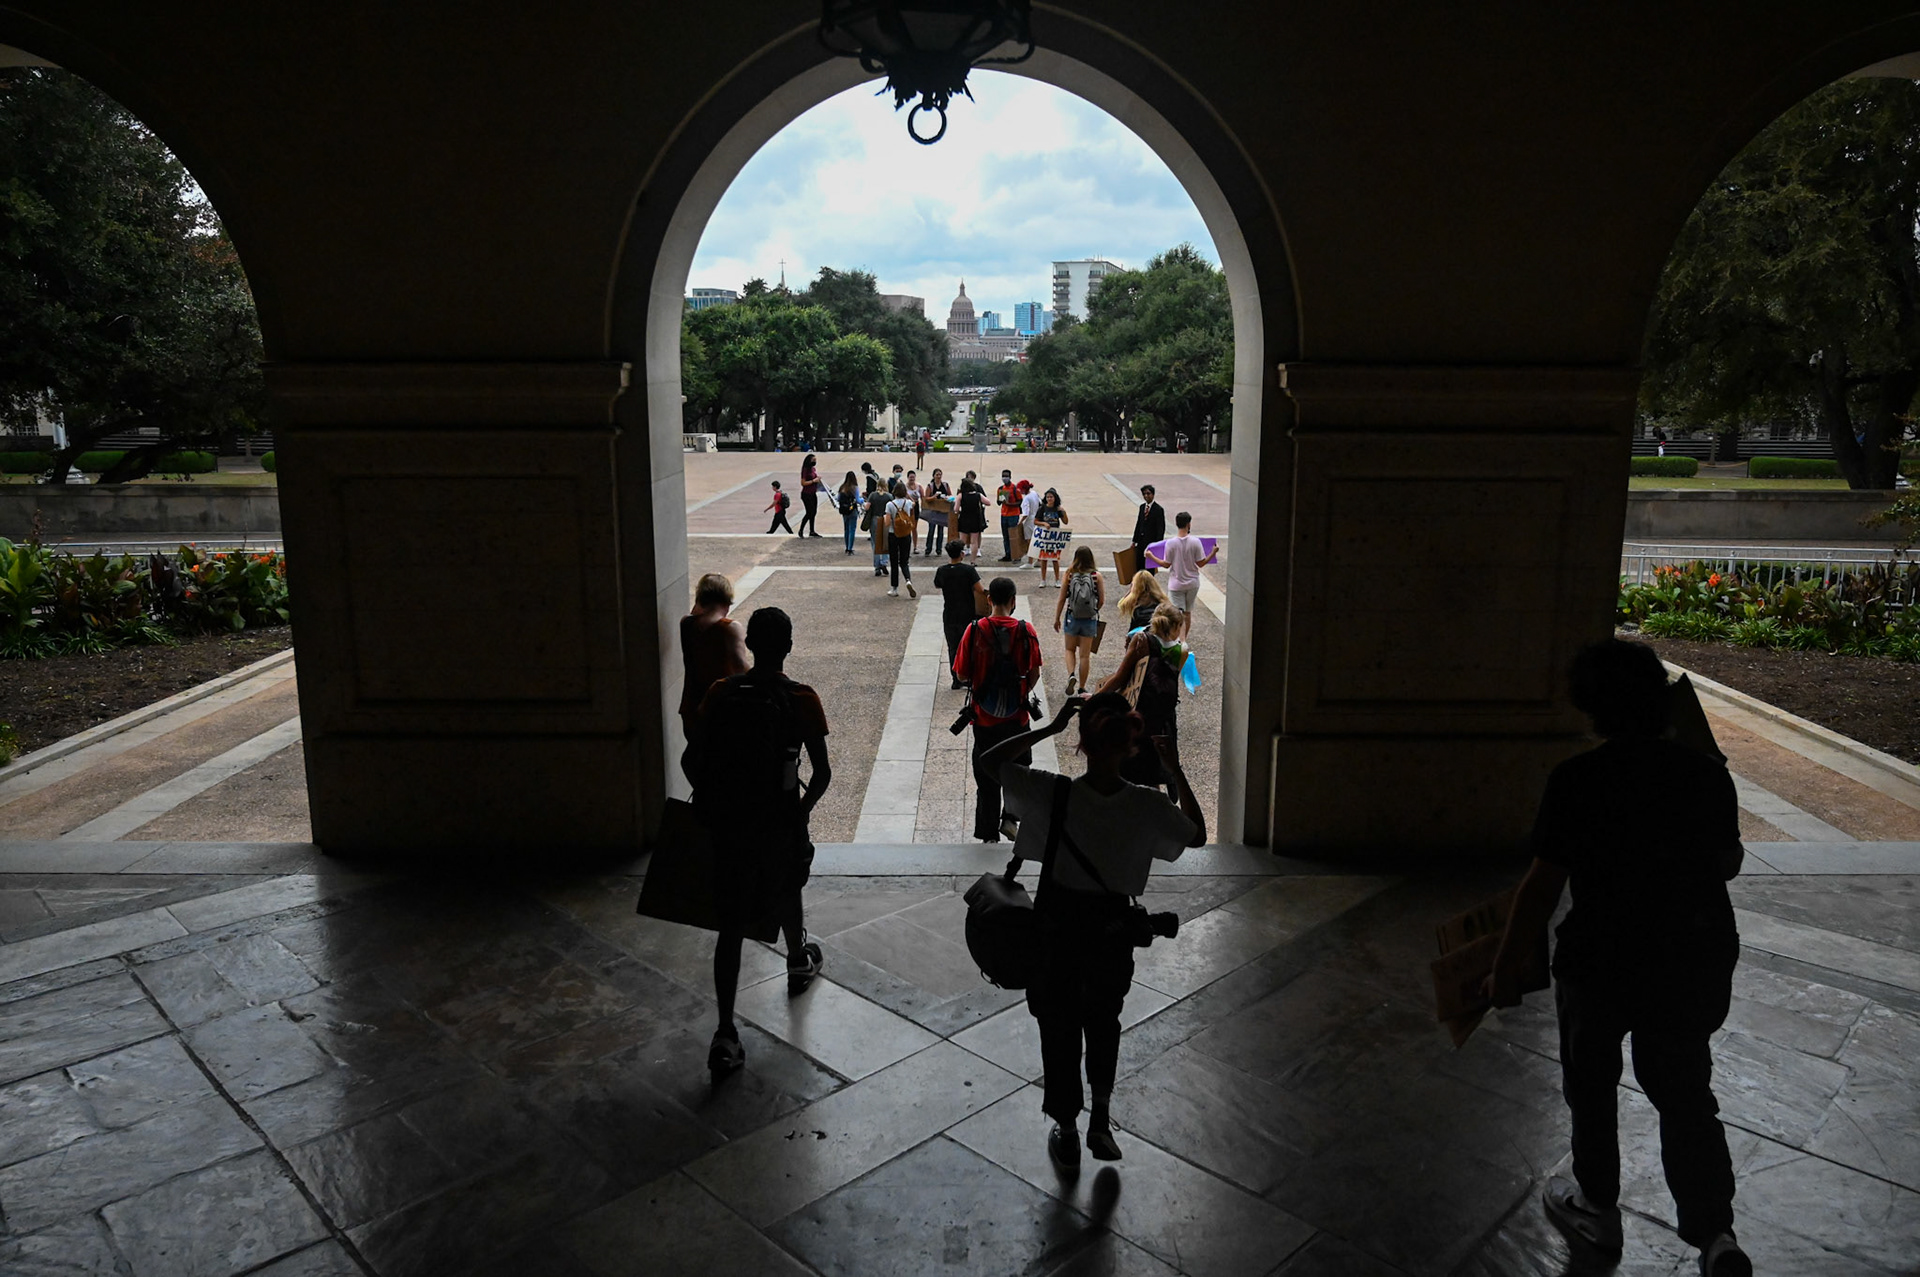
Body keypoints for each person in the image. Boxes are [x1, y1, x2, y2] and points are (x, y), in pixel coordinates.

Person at [1485, 640, 1750, 1277]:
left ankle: (1598, 1205)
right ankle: (1716, 1234)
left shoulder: (1578, 780)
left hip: (1601, 957)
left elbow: (1542, 885)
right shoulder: (1705, 775)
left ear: (1590, 707)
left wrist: (1504, 963)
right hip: (1689, 955)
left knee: (1592, 1087)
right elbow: (1728, 864)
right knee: (1686, 1090)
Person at [977, 691, 1206, 1166]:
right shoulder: (1145, 804)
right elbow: (1196, 833)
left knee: (1058, 1027)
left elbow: (990, 759)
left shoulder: (1054, 792)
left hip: (1057, 930)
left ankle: (1066, 1125)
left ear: (1083, 742)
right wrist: (1174, 768)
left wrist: (1049, 727)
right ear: (1131, 743)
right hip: (1111, 929)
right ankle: (1101, 1117)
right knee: (1104, 1022)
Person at [686, 607, 831, 1079]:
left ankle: (726, 1031)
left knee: (731, 924)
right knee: (787, 890)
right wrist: (799, 812)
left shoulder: (722, 693)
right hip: (778, 822)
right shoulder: (802, 698)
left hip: (731, 824)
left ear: (750, 645)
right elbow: (823, 773)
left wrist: (711, 802)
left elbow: (693, 759)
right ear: (788, 646)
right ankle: (795, 958)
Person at [953, 576, 1042, 841]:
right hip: (1017, 718)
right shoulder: (1027, 630)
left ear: (989, 599)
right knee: (1019, 772)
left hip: (984, 719)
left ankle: (988, 833)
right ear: (1013, 601)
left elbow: (961, 675)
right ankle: (1010, 818)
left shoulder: (975, 630)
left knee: (986, 775)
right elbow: (1034, 672)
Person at [1095, 603, 1187, 795]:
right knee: (1153, 773)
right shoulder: (1182, 651)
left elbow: (1121, 677)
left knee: (1131, 770)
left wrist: (1096, 697)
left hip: (1137, 714)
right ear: (1177, 626)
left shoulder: (1142, 640)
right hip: (1163, 720)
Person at [676, 573, 749, 755]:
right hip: (722, 711)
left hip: (691, 709)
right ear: (727, 601)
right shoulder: (730, 628)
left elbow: (694, 613)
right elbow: (741, 669)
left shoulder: (686, 625)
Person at [1147, 511, 1216, 639]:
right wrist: (1213, 552)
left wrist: (1151, 556)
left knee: (1177, 614)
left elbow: (1166, 564)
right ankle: (1184, 639)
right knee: (1187, 613)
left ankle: (1179, 639)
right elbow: (1201, 563)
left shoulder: (1171, 543)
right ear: (1188, 524)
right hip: (1193, 583)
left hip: (1176, 583)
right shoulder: (1195, 542)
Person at [1053, 544, 1104, 697]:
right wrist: (1093, 611)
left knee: (1069, 649)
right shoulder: (1096, 576)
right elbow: (1101, 600)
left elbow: (1062, 598)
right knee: (1084, 655)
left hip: (1072, 617)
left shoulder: (1069, 574)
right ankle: (1082, 687)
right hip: (1089, 619)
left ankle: (1071, 675)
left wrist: (1057, 618)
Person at [933, 539, 983, 690]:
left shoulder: (942, 570)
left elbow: (937, 584)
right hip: (967, 614)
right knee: (968, 647)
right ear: (962, 554)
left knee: (952, 647)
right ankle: (967, 676)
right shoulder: (968, 571)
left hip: (949, 614)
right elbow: (980, 589)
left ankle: (955, 678)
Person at [884, 481, 919, 598]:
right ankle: (908, 580)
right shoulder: (908, 503)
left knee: (894, 562)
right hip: (905, 534)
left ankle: (894, 588)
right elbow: (914, 503)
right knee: (904, 561)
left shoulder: (890, 505)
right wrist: (907, 496)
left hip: (893, 535)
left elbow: (887, 522)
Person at [1115, 569, 1172, 636]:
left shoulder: (1137, 605)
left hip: (1142, 637)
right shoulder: (1162, 601)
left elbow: (1120, 605)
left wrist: (1130, 591)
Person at [1129, 485, 1166, 583]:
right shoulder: (1142, 507)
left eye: (1148, 493)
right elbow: (1139, 524)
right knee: (1139, 565)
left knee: (1149, 568)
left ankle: (1149, 588)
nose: (1146, 496)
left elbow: (1160, 529)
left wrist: (1157, 545)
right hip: (1141, 542)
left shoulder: (1158, 510)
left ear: (1153, 495)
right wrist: (1134, 540)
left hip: (1151, 544)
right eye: (1144, 494)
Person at [1033, 488, 1066, 588]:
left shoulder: (1058, 509)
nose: (1049, 499)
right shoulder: (1042, 508)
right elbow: (1035, 521)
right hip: (1045, 537)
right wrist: (1043, 523)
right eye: (1047, 497)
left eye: (1051, 497)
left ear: (1055, 498)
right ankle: (1043, 580)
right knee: (1044, 559)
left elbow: (1065, 521)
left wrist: (1063, 512)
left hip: (1055, 537)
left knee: (1055, 559)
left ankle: (1057, 579)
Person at [956, 475, 988, 562]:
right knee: (974, 541)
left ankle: (959, 560)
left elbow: (956, 509)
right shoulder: (978, 495)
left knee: (962, 541)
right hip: (975, 519)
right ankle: (973, 561)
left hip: (964, 518)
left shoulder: (960, 496)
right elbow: (988, 502)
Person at [864, 465, 888, 577]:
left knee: (875, 543)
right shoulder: (889, 496)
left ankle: (877, 566)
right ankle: (884, 562)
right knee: (885, 542)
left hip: (874, 519)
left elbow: (867, 507)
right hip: (885, 519)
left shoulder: (873, 495)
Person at [921, 468, 951, 556]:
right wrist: (934, 496)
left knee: (940, 531)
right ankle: (928, 548)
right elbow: (926, 498)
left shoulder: (945, 485)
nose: (939, 476)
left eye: (940, 474)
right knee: (931, 530)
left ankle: (939, 549)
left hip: (942, 510)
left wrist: (946, 498)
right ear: (933, 476)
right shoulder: (930, 486)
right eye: (937, 475)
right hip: (933, 511)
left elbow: (950, 495)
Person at [996, 469, 1021, 561]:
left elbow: (1019, 501)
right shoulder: (1001, 489)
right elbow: (998, 503)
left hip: (1013, 514)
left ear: (1010, 477)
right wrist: (1001, 500)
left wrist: (1010, 504)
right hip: (1004, 514)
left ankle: (1016, 555)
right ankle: (1008, 554)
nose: (1004, 478)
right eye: (1003, 476)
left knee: (1013, 536)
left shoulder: (1015, 488)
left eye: (1006, 476)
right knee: (1005, 536)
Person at [797, 453, 823, 538]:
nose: (815, 462)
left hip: (813, 493)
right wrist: (813, 481)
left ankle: (812, 530)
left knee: (814, 512)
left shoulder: (813, 469)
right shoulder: (805, 470)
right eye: (813, 460)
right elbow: (803, 483)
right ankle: (801, 530)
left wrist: (818, 479)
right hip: (806, 494)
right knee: (809, 512)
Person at [836, 470, 861, 554]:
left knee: (846, 529)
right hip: (852, 509)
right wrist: (862, 500)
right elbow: (857, 500)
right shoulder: (854, 488)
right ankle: (850, 548)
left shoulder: (842, 487)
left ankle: (847, 547)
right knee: (852, 529)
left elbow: (838, 498)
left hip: (844, 510)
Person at [1018, 480, 1040, 567]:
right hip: (1035, 519)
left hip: (1029, 521)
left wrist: (1020, 522)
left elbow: (1025, 513)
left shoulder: (1026, 499)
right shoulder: (1034, 493)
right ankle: (1039, 560)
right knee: (1036, 541)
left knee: (1030, 542)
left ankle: (1030, 562)